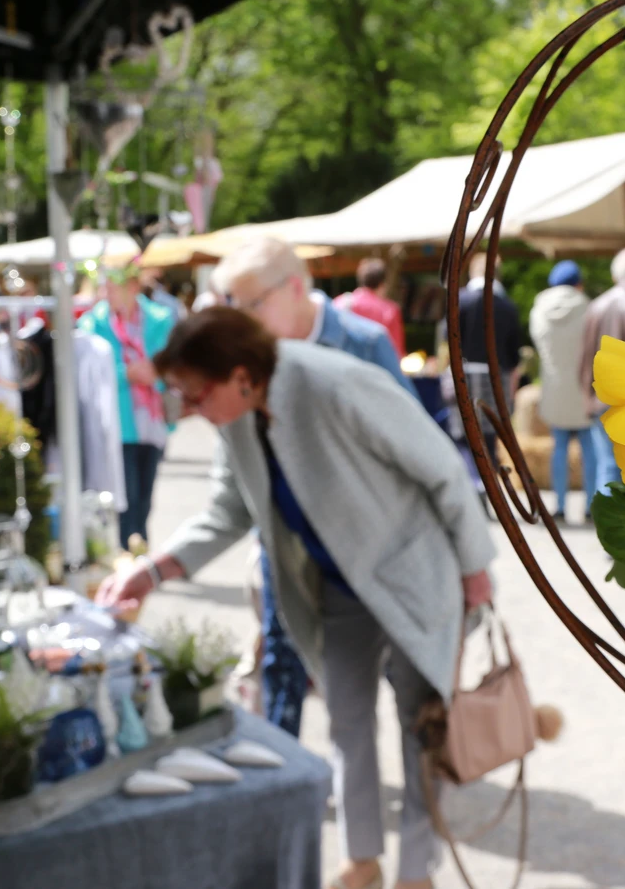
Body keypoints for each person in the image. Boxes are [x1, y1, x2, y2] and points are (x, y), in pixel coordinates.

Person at [95, 307, 494, 889]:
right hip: (333, 586)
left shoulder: (336, 381)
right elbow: (226, 514)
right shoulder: (235, 417)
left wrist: (474, 568)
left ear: (240, 375)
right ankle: (362, 859)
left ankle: (416, 872)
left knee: (422, 729)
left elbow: (442, 469)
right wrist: (152, 572)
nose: (188, 410)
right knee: (346, 722)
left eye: (196, 395)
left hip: (413, 577)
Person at [211, 236, 413, 737]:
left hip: (365, 550)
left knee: (394, 668)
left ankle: (425, 771)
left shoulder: (364, 343)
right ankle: (290, 780)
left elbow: (417, 446)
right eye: (234, 307)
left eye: (251, 305)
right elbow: (232, 487)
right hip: (284, 544)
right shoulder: (247, 360)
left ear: (295, 288)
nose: (242, 319)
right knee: (282, 660)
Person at [77, 264, 177, 548]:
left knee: (145, 495)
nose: (104, 293)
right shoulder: (92, 323)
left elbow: (171, 361)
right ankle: (127, 551)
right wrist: (128, 373)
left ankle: (140, 549)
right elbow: (91, 372)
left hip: (151, 421)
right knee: (126, 495)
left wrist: (156, 373)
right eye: (102, 287)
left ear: (132, 287)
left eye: (111, 287)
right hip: (116, 423)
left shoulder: (160, 318)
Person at [528, 260, 598, 521]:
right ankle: (591, 505)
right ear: (578, 283)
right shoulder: (588, 308)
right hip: (583, 389)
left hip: (554, 389)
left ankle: (558, 505)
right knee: (589, 450)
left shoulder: (539, 309)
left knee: (558, 448)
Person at [579, 245, 625, 493]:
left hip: (599, 397)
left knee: (606, 464)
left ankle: (604, 522)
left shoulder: (595, 306)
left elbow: (585, 355)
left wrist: (587, 395)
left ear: (614, 275)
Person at [454, 253, 522, 467]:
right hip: (495, 375)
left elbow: (449, 339)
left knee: (464, 433)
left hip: (463, 373)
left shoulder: (460, 300)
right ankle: (489, 481)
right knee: (491, 435)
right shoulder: (508, 306)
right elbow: (514, 352)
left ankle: (471, 482)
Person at [336, 257, 406, 356]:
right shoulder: (389, 310)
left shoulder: (340, 303)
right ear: (382, 284)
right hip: (376, 367)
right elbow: (396, 351)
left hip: (345, 365)